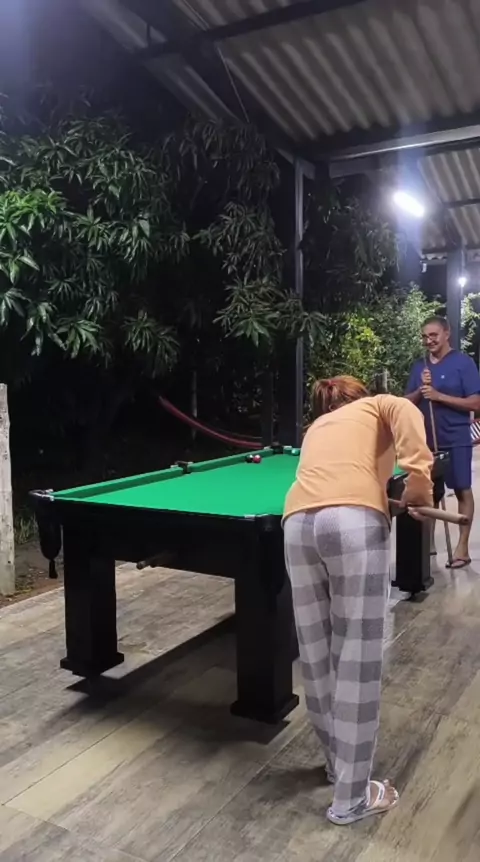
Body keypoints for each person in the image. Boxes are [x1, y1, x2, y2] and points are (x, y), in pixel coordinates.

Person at [283, 375, 433, 825]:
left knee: (315, 653)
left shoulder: (316, 428)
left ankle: (336, 765)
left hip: (297, 525)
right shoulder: (379, 404)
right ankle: (351, 798)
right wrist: (419, 479)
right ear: (359, 395)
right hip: (351, 525)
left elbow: (340, 483)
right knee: (357, 658)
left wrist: (381, 498)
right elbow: (408, 411)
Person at [406, 316, 480, 568]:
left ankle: (462, 549)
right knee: (429, 494)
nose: (429, 341)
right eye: (425, 336)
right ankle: (428, 546)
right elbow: (406, 403)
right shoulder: (420, 366)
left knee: (461, 490)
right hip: (426, 441)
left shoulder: (463, 363)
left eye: (433, 335)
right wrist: (421, 390)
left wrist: (439, 396)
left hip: (456, 438)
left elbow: (476, 403)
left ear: (447, 333)